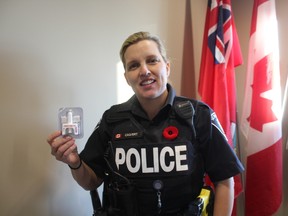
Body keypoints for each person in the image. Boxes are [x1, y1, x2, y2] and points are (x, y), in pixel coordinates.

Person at [47, 31, 244, 216]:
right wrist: (75, 163)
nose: (144, 71)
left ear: (166, 67)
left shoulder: (198, 115)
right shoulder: (112, 119)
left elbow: (224, 180)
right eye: (133, 65)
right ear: (126, 77)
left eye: (152, 61)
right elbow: (91, 181)